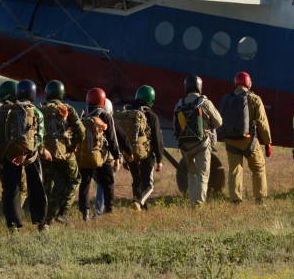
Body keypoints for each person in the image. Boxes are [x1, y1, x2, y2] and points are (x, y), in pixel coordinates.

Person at [0, 79, 50, 231]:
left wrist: (12, 152)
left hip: (10, 155)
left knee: (12, 189)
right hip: (31, 156)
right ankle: (41, 222)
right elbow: (40, 136)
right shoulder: (36, 112)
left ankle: (13, 225)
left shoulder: (8, 110)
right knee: (37, 187)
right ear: (33, 94)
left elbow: (2, 134)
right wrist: (27, 153)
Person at [217, 72, 272, 206]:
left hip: (230, 140)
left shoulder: (226, 98)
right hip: (249, 140)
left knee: (235, 170)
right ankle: (260, 200)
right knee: (259, 168)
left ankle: (236, 201)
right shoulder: (254, 98)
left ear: (236, 83)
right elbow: (262, 122)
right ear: (249, 83)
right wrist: (268, 142)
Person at [78, 88, 131, 219]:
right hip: (102, 156)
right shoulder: (105, 115)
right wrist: (117, 157)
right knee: (108, 183)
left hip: (84, 156)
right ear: (102, 101)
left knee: (85, 184)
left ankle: (85, 213)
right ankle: (109, 210)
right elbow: (112, 138)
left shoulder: (83, 114)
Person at [39, 80, 86, 226]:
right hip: (64, 154)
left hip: (44, 154)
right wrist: (73, 146)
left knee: (47, 187)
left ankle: (45, 223)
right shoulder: (68, 109)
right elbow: (81, 132)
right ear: (61, 94)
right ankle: (63, 212)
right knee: (75, 179)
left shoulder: (39, 109)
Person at [173, 75, 222, 207]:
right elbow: (218, 122)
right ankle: (198, 205)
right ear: (199, 87)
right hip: (202, 144)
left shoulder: (179, 104)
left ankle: (192, 201)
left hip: (185, 146)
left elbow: (175, 125)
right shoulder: (204, 102)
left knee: (191, 173)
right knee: (202, 174)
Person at [116, 85, 164, 211]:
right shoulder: (152, 116)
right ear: (151, 99)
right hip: (146, 155)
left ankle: (141, 208)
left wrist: (126, 155)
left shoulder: (128, 113)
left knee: (136, 180)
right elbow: (157, 139)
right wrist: (159, 159)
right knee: (149, 185)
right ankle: (138, 203)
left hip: (130, 153)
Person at [0, 80, 27, 212]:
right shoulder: (20, 112)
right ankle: (13, 213)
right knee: (21, 188)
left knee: (6, 187)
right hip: (15, 157)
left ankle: (7, 211)